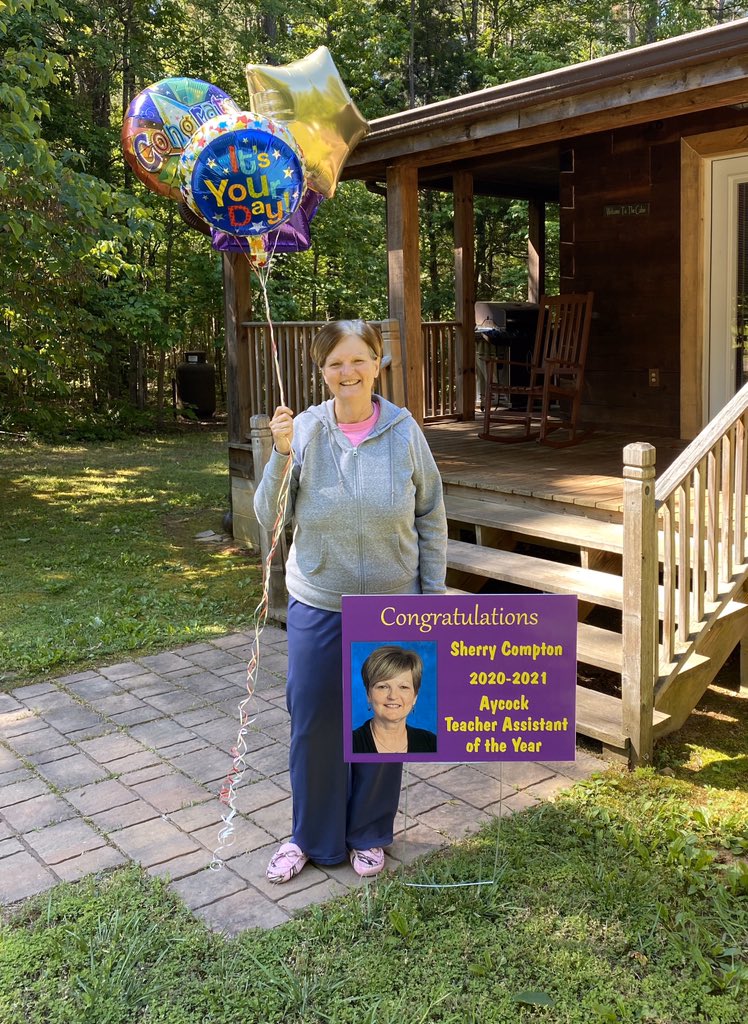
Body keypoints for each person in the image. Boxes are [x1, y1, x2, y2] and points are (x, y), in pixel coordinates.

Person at [254, 319, 447, 882]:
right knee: (313, 722)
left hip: (392, 605)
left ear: (378, 362)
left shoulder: (406, 431)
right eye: (336, 363)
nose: (348, 372)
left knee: (386, 719)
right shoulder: (305, 431)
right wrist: (280, 454)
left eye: (359, 359)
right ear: (322, 371)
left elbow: (430, 516)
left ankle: (369, 833)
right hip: (319, 602)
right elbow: (271, 518)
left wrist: (431, 598)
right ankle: (311, 837)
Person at [352, 646, 437, 754]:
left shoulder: (432, 743)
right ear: (368, 694)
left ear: (415, 696)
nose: (393, 696)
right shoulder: (350, 744)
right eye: (383, 687)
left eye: (403, 687)